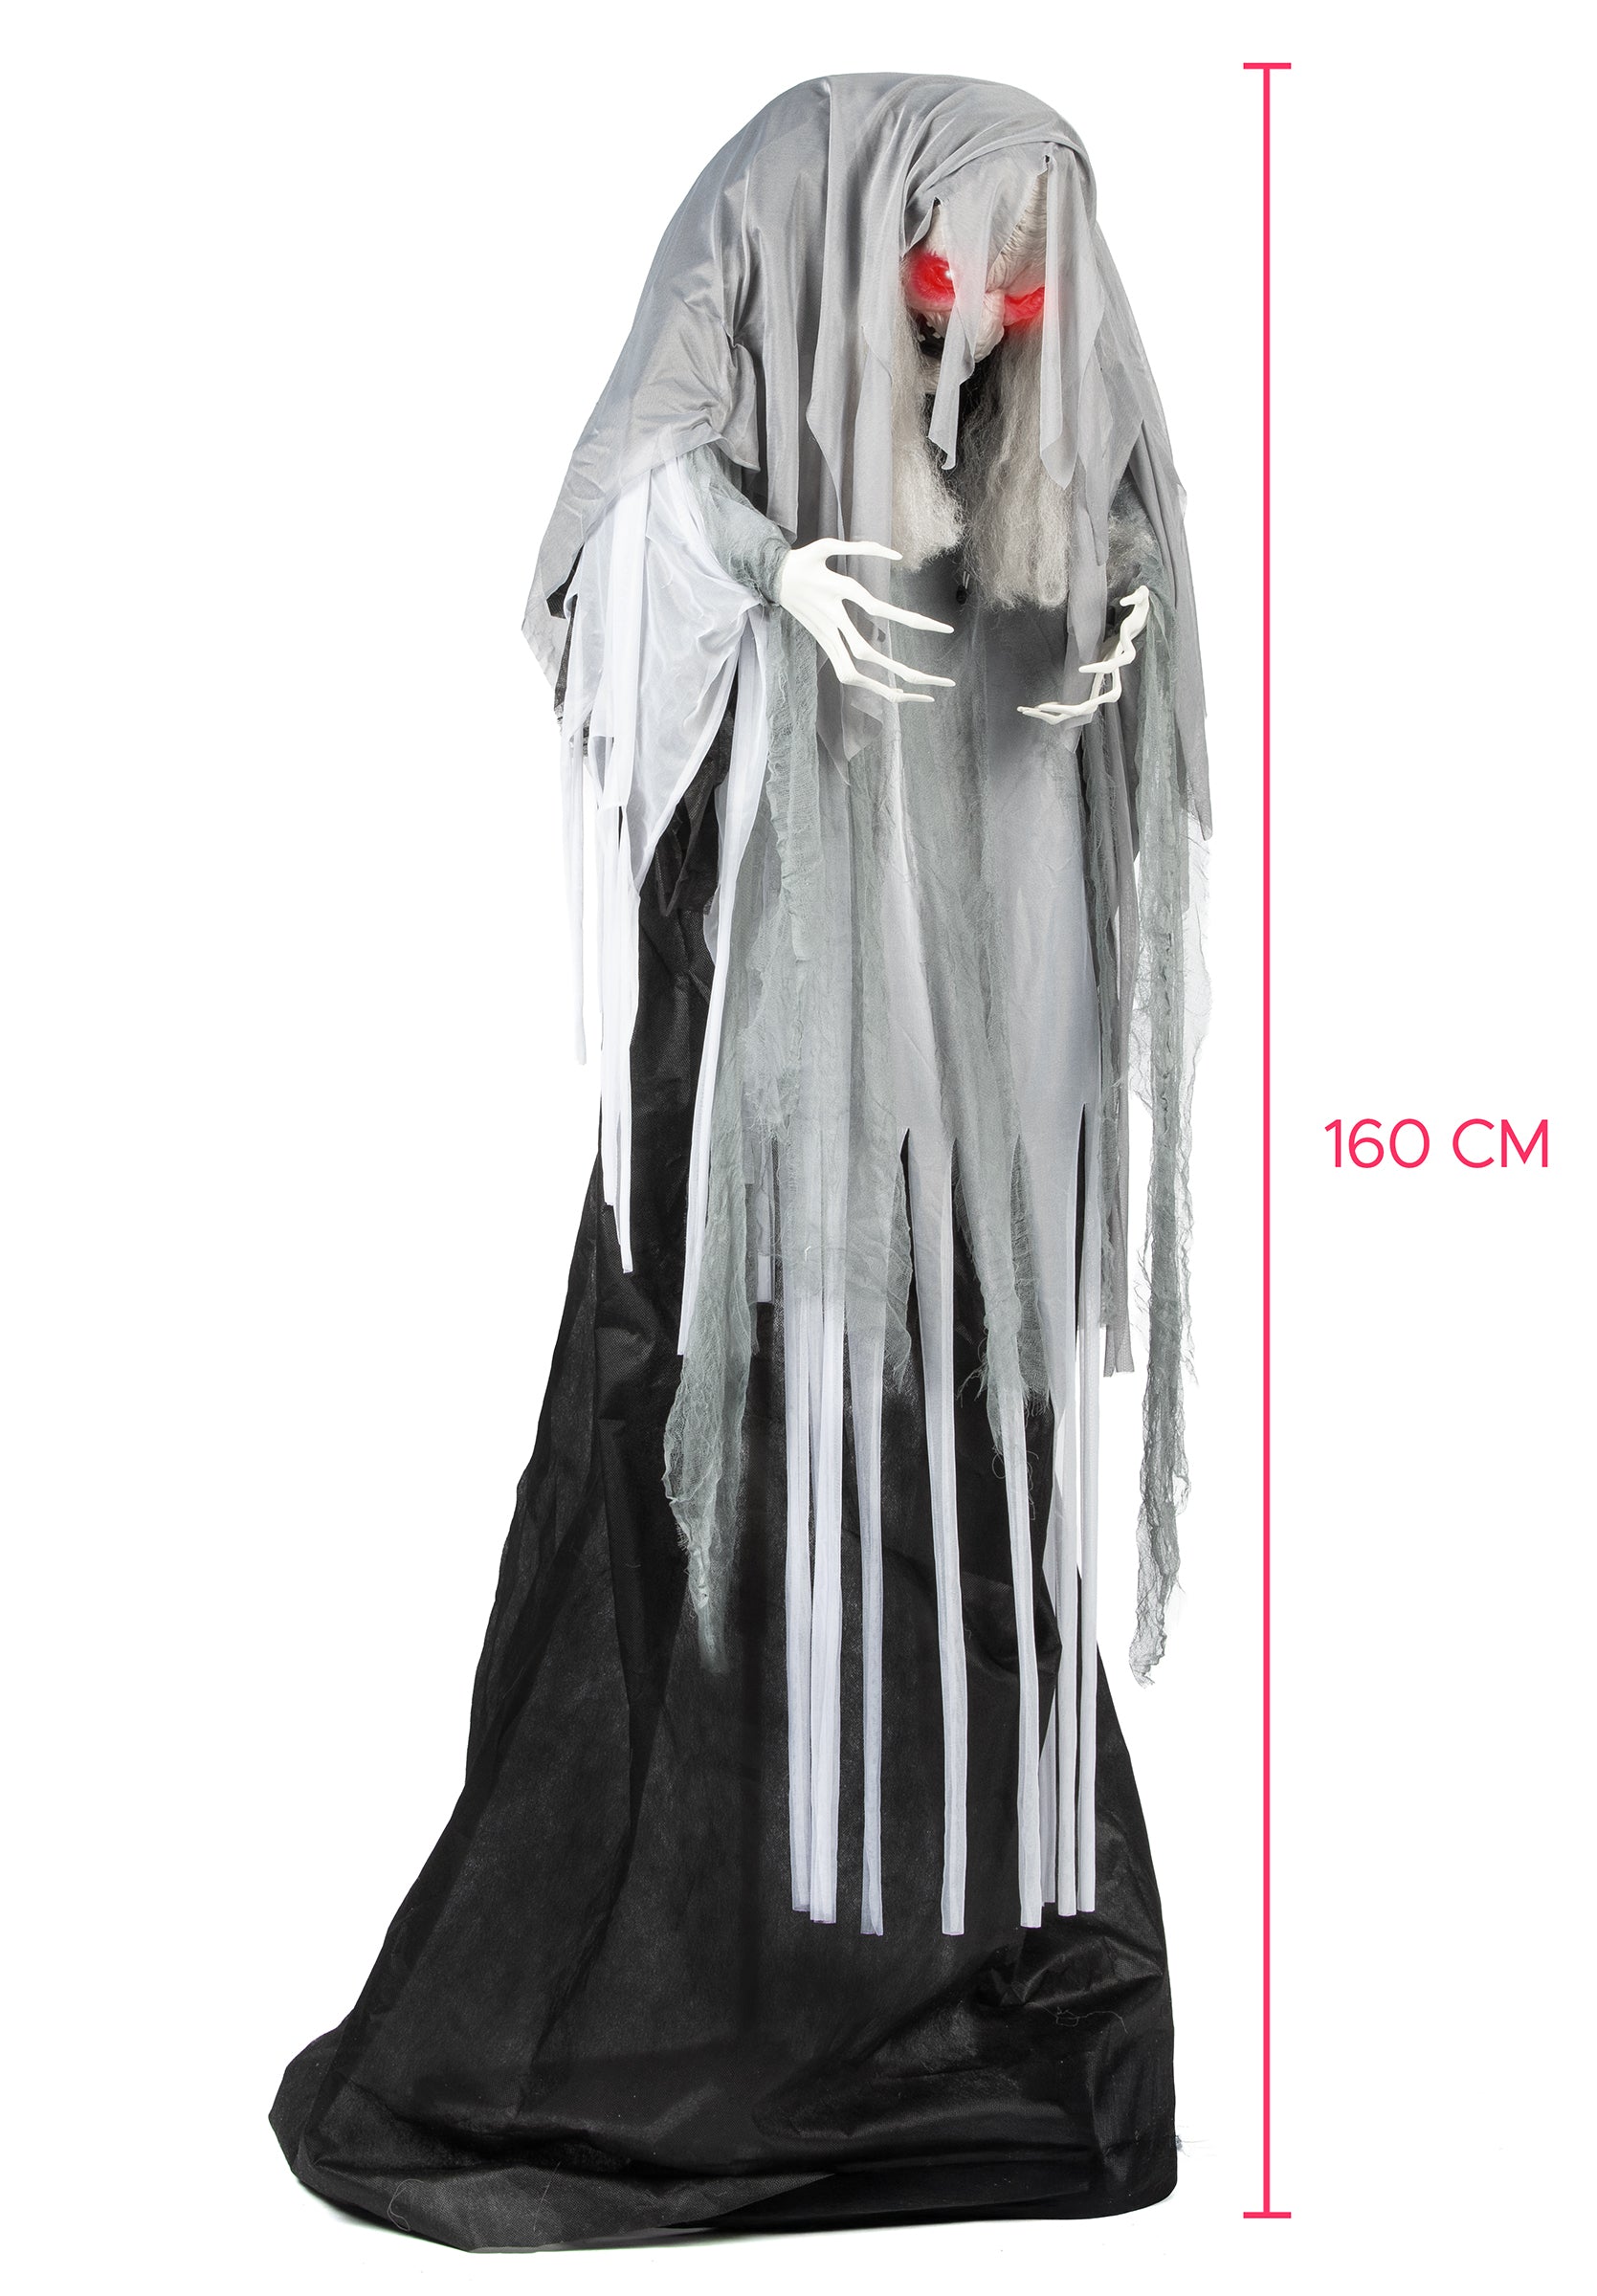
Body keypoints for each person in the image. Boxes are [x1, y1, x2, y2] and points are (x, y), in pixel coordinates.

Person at [272, 72, 1209, 2247]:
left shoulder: (1033, 296)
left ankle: (952, 1976)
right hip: (779, 982)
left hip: (978, 1030)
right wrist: (762, 568)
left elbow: (1109, 504)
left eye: (1018, 299)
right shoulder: (771, 204)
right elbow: (613, 503)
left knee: (956, 1456)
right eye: (943, 290)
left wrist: (1116, 609)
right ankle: (688, 1990)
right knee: (727, 1419)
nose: (977, 331)